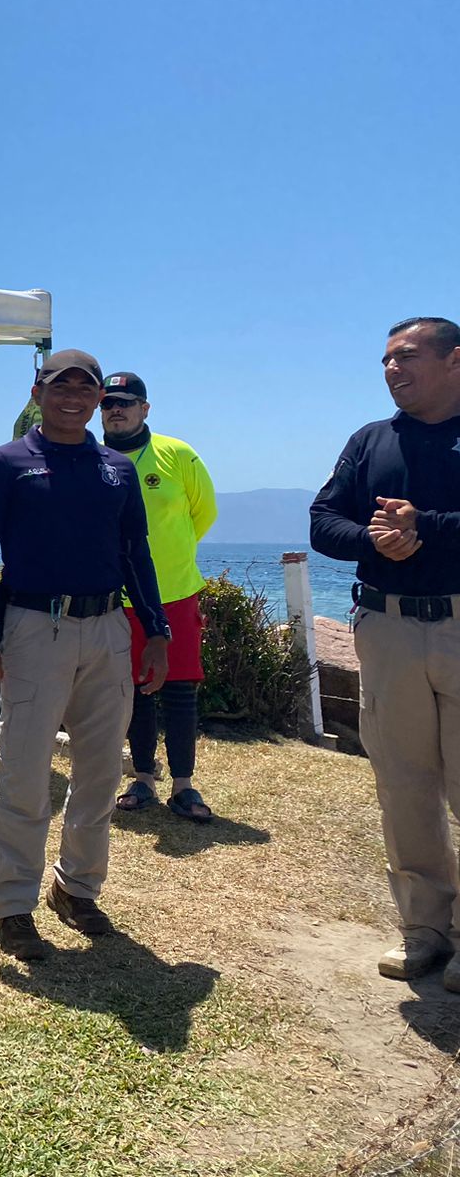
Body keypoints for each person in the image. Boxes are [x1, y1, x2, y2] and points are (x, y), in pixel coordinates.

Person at [0, 349, 171, 960]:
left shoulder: (116, 469)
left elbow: (137, 552)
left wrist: (155, 630)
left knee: (102, 770)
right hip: (33, 628)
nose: (74, 397)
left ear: (100, 397)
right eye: (62, 386)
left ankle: (76, 889)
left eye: (87, 389)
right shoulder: (6, 464)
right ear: (39, 390)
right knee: (24, 771)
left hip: (108, 628)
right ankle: (14, 905)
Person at [309, 316, 460, 986]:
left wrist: (420, 528)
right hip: (389, 630)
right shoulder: (371, 441)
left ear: (454, 361)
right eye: (386, 361)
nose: (393, 370)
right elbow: (322, 521)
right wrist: (376, 541)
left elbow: (422, 526)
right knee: (403, 784)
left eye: (408, 357)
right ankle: (424, 929)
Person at [99, 372, 220, 823]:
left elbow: (203, 512)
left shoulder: (178, 455)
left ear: (145, 408)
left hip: (174, 591)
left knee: (180, 688)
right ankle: (144, 778)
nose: (117, 409)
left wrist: (172, 556)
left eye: (126, 402)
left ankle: (184, 785)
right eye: (108, 402)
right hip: (116, 598)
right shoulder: (91, 458)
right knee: (133, 691)